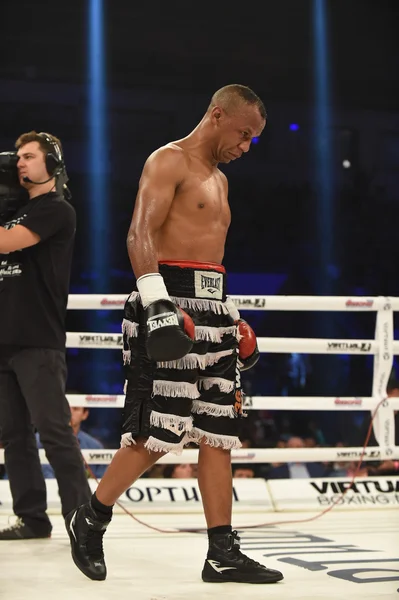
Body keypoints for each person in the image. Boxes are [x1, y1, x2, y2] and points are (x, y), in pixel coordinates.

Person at [66, 84, 283, 585]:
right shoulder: (169, 160)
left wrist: (229, 316)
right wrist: (156, 300)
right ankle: (91, 516)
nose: (246, 146)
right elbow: (139, 232)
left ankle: (222, 552)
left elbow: (210, 257)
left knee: (218, 432)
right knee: (160, 428)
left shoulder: (221, 181)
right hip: (167, 300)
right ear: (217, 114)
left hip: (214, 305)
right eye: (244, 134)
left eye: (253, 139)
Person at [0, 131, 91, 540]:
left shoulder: (57, 210)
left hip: (38, 338)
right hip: (4, 338)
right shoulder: (14, 208)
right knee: (14, 436)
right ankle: (33, 518)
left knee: (54, 432)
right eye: (17, 157)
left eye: (30, 156)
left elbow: (8, 242)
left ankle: (82, 520)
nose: (20, 162)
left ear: (51, 164)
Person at [36, 406, 107, 479]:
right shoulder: (37, 441)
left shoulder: (95, 446)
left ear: (85, 414)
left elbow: (101, 480)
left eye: (75, 409)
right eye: (66, 408)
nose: (70, 413)